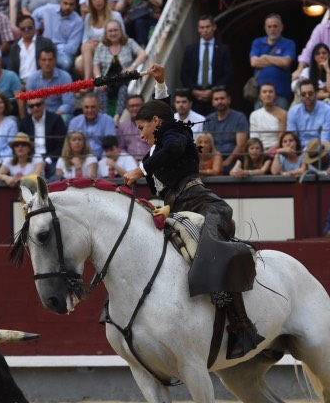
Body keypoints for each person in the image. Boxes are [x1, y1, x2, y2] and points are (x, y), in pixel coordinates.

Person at [122, 99, 262, 360]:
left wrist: (141, 170)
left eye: (142, 127)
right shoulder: (156, 148)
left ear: (155, 122)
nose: (140, 135)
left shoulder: (174, 134)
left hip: (204, 205)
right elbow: (163, 113)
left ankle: (242, 325)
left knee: (213, 251)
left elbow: (173, 145)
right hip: (176, 211)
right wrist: (160, 85)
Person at [179, 15, 233, 116]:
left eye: (208, 27)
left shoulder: (223, 49)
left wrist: (213, 90)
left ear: (214, 27)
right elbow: (184, 74)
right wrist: (194, 90)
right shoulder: (190, 49)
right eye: (202, 27)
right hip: (195, 97)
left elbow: (228, 74)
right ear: (198, 29)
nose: (205, 30)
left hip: (216, 96)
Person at [249, 14, 295, 111]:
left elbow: (286, 62)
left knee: (281, 120)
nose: (272, 29)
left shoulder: (288, 43)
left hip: (281, 94)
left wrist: (265, 57)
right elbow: (254, 62)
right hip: (261, 95)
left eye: (275, 26)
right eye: (269, 26)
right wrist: (278, 61)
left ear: (281, 27)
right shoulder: (257, 42)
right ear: (265, 28)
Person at [78, 0, 123, 80]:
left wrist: (102, 42)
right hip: (93, 50)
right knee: (80, 61)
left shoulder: (116, 15)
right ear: (91, 2)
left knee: (85, 52)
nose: (97, 1)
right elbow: (84, 40)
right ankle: (90, 82)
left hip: (110, 48)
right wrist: (91, 42)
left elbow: (122, 37)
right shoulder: (88, 17)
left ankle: (88, 82)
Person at [32, 0, 82, 72]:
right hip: (43, 47)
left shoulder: (78, 21)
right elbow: (35, 14)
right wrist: (36, 30)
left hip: (61, 52)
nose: (68, 7)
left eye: (71, 4)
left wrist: (55, 47)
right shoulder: (48, 9)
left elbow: (72, 48)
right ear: (60, 2)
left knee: (66, 63)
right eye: (65, 3)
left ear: (75, 5)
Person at [202, 87, 248, 175]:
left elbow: (241, 146)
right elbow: (206, 143)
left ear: (229, 100)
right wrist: (216, 162)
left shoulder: (240, 117)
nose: (219, 101)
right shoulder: (208, 119)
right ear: (212, 102)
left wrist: (227, 162)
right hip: (213, 158)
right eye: (216, 99)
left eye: (222, 98)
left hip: (233, 159)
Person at [19, 96, 66, 175]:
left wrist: (47, 161)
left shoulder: (55, 119)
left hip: (51, 158)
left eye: (38, 105)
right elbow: (22, 144)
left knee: (55, 175)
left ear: (44, 104)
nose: (35, 108)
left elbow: (61, 145)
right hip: (31, 159)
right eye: (31, 106)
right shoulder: (25, 122)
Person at [26, 48, 75, 122]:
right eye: (44, 60)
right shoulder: (32, 78)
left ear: (55, 61)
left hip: (59, 115)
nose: (47, 63)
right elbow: (31, 103)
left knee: (63, 119)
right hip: (39, 115)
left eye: (50, 59)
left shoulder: (65, 77)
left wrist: (52, 119)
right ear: (39, 62)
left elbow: (68, 104)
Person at [287, 80, 330, 147]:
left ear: (316, 94)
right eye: (303, 94)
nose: (307, 96)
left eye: (310, 93)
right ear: (300, 96)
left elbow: (325, 140)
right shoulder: (293, 112)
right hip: (299, 149)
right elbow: (292, 139)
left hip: (321, 149)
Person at [69, 92, 117, 158]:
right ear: (82, 107)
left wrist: (102, 162)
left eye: (93, 107)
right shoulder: (74, 122)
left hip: (102, 160)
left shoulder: (108, 120)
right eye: (86, 107)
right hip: (80, 159)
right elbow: (70, 146)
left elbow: (110, 145)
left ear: (99, 107)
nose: (90, 110)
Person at [249, 82, 286, 153]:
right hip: (258, 151)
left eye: (270, 92)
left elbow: (281, 140)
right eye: (264, 92)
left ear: (275, 95)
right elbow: (254, 138)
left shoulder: (283, 114)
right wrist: (259, 153)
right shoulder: (254, 115)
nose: (268, 94)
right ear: (260, 96)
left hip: (277, 151)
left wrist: (267, 153)